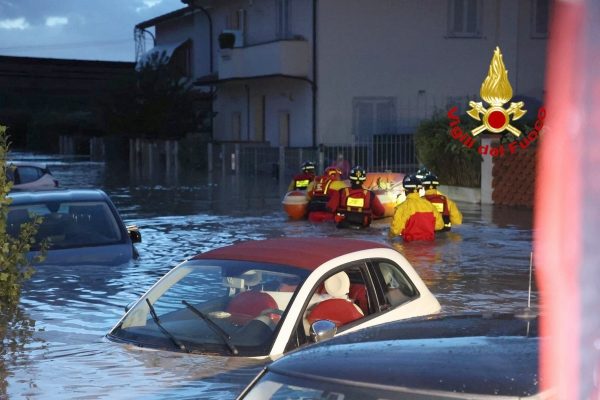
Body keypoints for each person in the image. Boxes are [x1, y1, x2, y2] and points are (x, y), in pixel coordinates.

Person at [389, 174, 444, 241]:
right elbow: (439, 225)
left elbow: (395, 231)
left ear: (406, 190)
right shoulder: (430, 205)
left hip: (409, 247)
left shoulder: (401, 208)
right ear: (419, 190)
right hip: (430, 248)